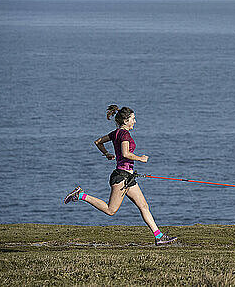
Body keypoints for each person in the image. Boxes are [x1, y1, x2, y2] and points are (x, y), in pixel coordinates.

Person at [64, 104, 177, 245]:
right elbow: (125, 153)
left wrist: (107, 154)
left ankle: (158, 236)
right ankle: (80, 195)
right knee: (111, 210)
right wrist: (141, 158)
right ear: (125, 120)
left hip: (128, 177)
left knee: (144, 206)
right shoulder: (124, 134)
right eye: (133, 119)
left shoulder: (115, 133)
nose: (135, 121)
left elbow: (98, 142)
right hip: (121, 177)